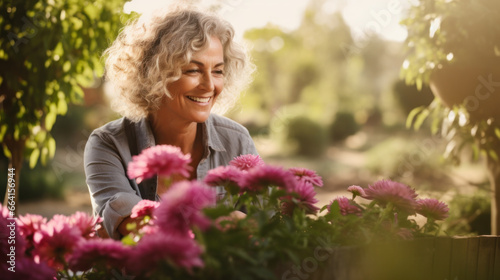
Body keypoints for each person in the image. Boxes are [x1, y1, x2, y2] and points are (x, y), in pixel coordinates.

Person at [84, 6, 256, 239]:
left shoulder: (237, 140)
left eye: (217, 71)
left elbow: (269, 230)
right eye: (193, 70)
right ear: (155, 73)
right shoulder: (109, 144)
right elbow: (134, 228)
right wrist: (227, 222)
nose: (209, 85)